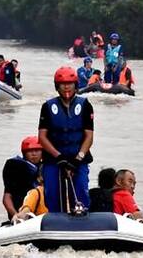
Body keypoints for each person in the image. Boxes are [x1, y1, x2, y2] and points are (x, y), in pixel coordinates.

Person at [39, 66, 94, 213]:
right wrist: (59, 157)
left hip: (78, 157)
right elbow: (42, 137)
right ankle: (55, 219)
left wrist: (78, 158)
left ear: (76, 85)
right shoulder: (47, 106)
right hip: (54, 158)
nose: (66, 87)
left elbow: (89, 136)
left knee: (81, 190)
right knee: (51, 193)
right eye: (63, 84)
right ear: (57, 87)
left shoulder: (85, 105)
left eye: (70, 83)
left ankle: (82, 219)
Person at [2, 136, 43, 220]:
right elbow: (7, 197)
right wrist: (16, 215)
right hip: (20, 211)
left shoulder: (48, 168)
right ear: (24, 153)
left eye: (37, 150)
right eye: (30, 151)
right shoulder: (15, 166)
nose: (34, 154)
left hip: (42, 213)